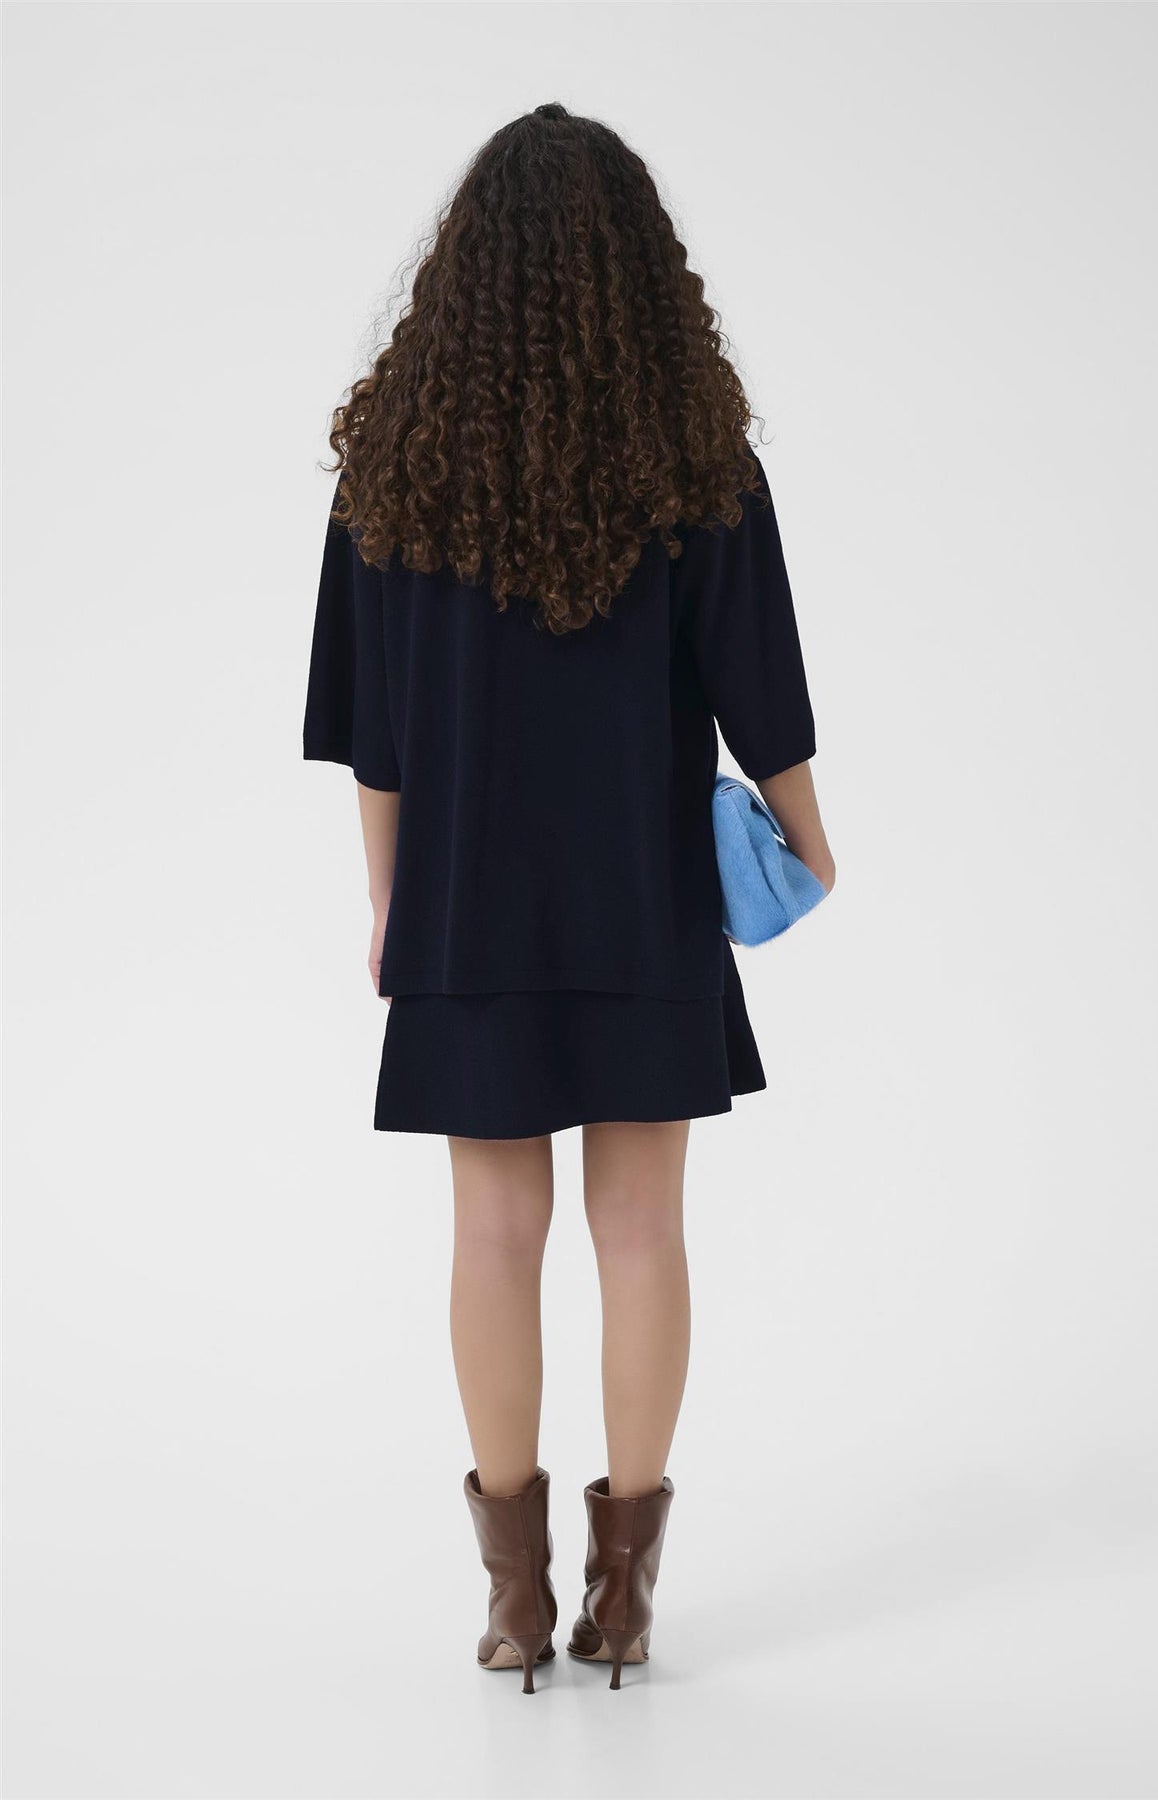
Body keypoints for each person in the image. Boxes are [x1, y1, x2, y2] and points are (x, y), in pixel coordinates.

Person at [302, 102, 836, 1695]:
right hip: (642, 898)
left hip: (464, 902)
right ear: (639, 271)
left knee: (491, 1228)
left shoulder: (393, 473)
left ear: (462, 270)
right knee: (642, 1227)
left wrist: (388, 901)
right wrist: (813, 847)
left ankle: (515, 1602)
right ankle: (627, 1596)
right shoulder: (697, 463)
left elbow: (373, 738)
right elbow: (765, 700)